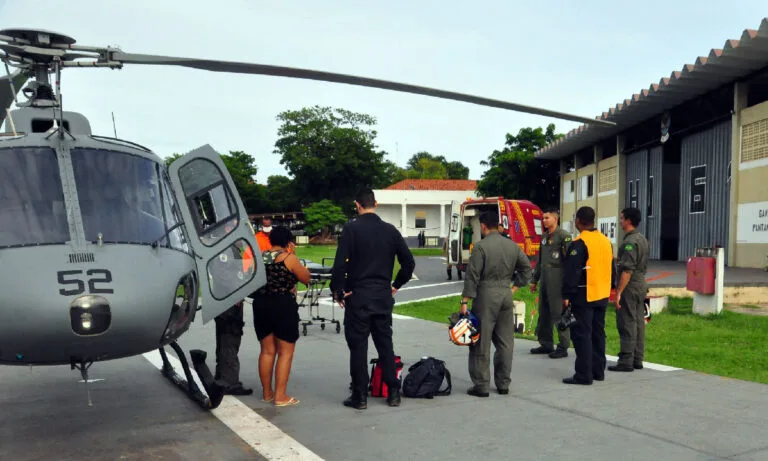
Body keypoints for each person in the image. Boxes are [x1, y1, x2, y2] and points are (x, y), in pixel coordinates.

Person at [330, 188, 415, 410]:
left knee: (358, 347)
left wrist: (338, 290)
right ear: (375, 204)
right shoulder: (390, 231)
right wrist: (395, 285)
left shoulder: (351, 229)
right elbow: (408, 264)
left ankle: (359, 396)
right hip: (382, 295)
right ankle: (393, 391)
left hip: (358, 295)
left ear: (357, 205)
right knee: (385, 344)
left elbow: (340, 264)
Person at [460, 211, 532, 397]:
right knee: (505, 342)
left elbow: (472, 275)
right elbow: (526, 269)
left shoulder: (480, 247)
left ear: (483, 226)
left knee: (481, 342)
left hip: (485, 295)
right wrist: (514, 287)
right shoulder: (512, 246)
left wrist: (465, 301)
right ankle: (503, 383)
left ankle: (482, 385)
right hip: (505, 294)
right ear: (498, 226)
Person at [250, 226, 311, 407]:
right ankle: (280, 396)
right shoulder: (288, 258)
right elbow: (305, 278)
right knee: (285, 352)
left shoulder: (260, 257)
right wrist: (293, 255)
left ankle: (267, 393)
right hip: (282, 305)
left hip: (260, 305)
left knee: (267, 351)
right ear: (289, 242)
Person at [561, 206, 616, 385]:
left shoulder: (580, 243)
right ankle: (598, 371)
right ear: (594, 220)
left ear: (578, 220)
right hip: (602, 294)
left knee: (582, 334)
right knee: (598, 333)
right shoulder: (605, 241)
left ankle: (584, 375)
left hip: (584, 294)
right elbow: (612, 267)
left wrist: (567, 294)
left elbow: (572, 271)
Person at [529, 209, 572, 359]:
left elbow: (569, 263)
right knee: (544, 312)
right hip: (545, 280)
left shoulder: (564, 236)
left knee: (558, 313)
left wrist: (568, 287)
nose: (544, 220)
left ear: (555, 218)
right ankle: (546, 343)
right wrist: (534, 280)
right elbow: (540, 261)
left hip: (557, 280)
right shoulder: (544, 237)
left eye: (547, 218)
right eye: (543, 218)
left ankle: (563, 345)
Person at [611, 207, 650, 372]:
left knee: (627, 321)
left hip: (630, 285)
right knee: (639, 322)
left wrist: (618, 292)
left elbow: (627, 270)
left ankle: (626, 360)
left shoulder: (629, 243)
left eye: (621, 218)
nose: (620, 221)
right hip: (641, 284)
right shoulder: (642, 239)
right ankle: (637, 358)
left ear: (628, 221)